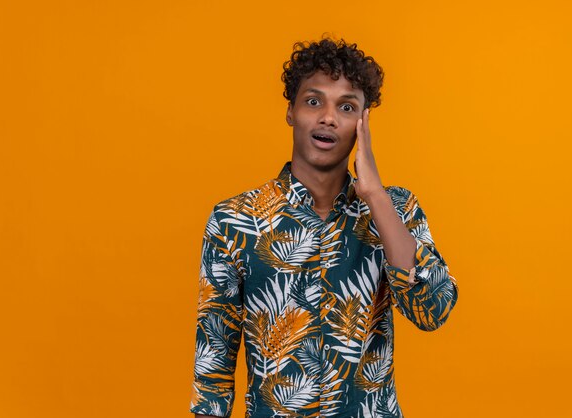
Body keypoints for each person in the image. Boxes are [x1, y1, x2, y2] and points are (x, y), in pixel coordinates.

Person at [190, 37, 459, 418]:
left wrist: (375, 197)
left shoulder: (396, 210)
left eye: (346, 107)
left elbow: (432, 310)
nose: (328, 118)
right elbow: (213, 363)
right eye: (313, 101)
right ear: (291, 111)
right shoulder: (235, 220)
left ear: (363, 123)